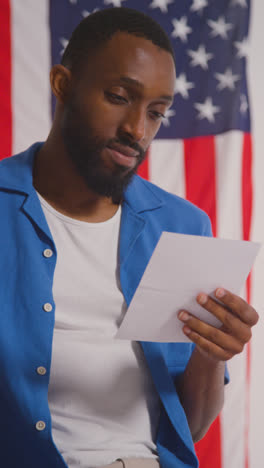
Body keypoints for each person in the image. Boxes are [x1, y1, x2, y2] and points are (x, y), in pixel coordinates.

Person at [0, 7, 258, 468]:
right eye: (119, 96)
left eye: (156, 113)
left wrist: (210, 353)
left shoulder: (183, 226)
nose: (137, 131)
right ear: (62, 84)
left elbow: (190, 427)